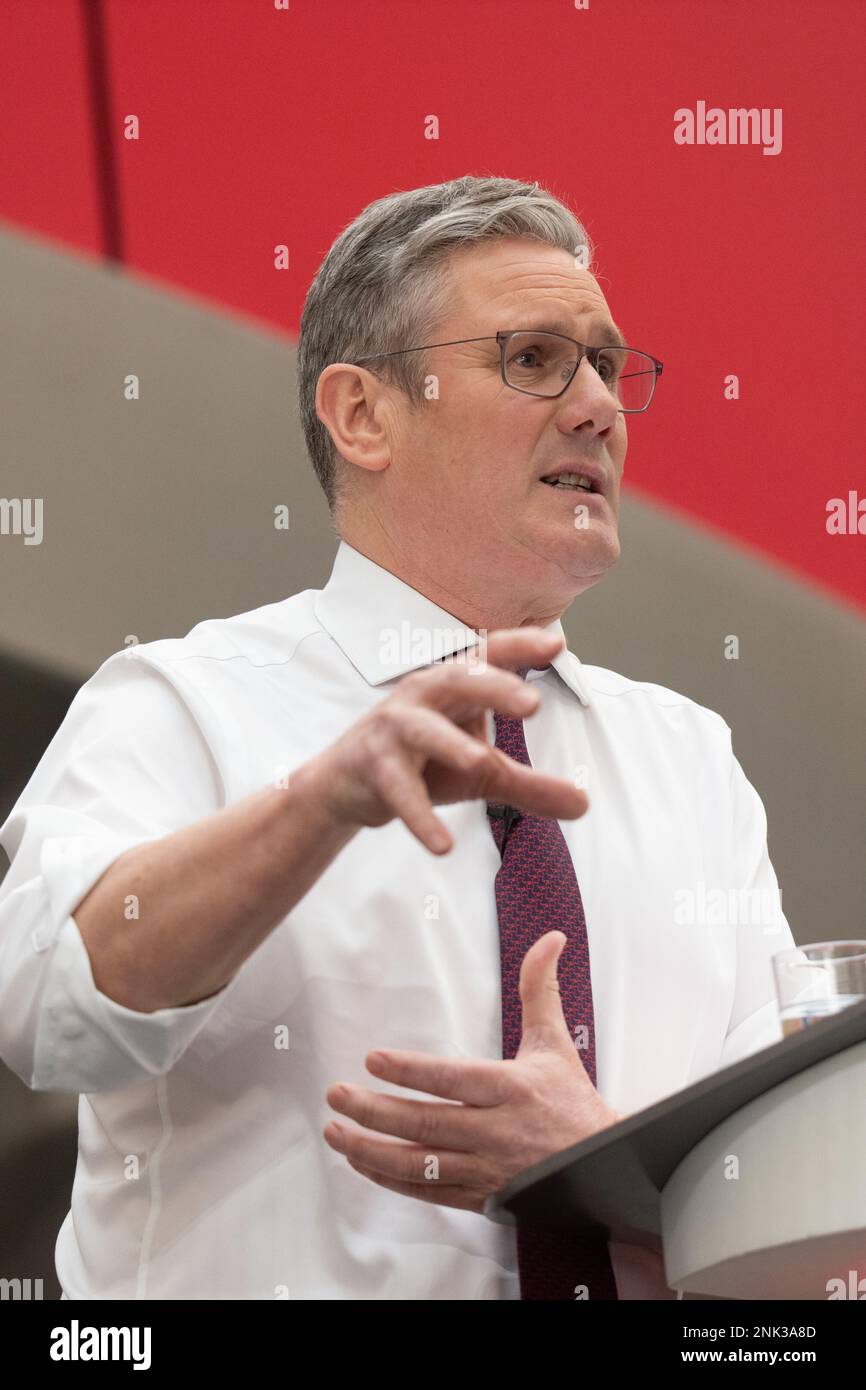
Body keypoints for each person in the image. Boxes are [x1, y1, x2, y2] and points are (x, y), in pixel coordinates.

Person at [0, 175, 793, 1299]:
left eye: (606, 365)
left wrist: (597, 1177)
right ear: (363, 413)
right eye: (530, 360)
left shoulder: (689, 760)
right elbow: (48, 1013)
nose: (596, 406)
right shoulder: (183, 700)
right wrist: (317, 805)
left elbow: (788, 1213)